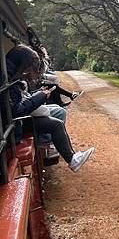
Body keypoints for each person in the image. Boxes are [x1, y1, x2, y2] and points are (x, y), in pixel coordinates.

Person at [6, 44, 94, 172]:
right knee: (56, 123)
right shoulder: (9, 80)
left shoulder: (10, 76)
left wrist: (38, 96)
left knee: (56, 117)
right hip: (14, 126)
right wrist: (40, 97)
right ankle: (67, 156)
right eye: (27, 67)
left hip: (15, 123)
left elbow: (16, 105)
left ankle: (70, 155)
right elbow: (16, 110)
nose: (28, 72)